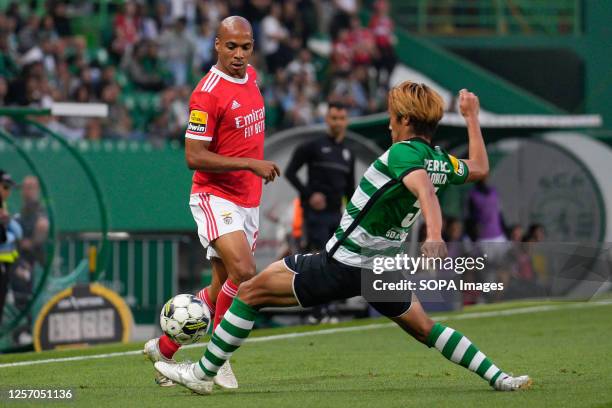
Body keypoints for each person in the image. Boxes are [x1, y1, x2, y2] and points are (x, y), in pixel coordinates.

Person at [155, 82, 532, 394]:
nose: (389, 124)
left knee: (249, 292)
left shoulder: (403, 155)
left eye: (391, 117)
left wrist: (434, 233)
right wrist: (471, 118)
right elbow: (480, 167)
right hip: (380, 270)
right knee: (425, 328)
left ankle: (203, 373)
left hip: (343, 264)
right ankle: (498, 377)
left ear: (404, 120)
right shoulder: (437, 159)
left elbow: (426, 193)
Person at [143, 16, 280, 390]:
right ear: (217, 45)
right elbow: (194, 156)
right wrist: (250, 163)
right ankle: (216, 359)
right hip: (214, 195)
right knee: (245, 270)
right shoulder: (207, 92)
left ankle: (164, 348)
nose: (238, 54)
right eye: (231, 46)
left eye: (245, 47)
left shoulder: (251, 77)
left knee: (221, 286)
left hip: (248, 200)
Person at [285, 101, 355, 323]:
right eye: (333, 118)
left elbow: (351, 189)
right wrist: (308, 195)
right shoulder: (313, 146)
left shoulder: (348, 153)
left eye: (341, 118)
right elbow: (290, 172)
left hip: (337, 215)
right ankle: (317, 311)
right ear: (327, 119)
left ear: (346, 121)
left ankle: (330, 308)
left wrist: (352, 216)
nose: (337, 122)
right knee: (319, 260)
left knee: (337, 262)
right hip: (316, 215)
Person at [0, 170, 22, 325]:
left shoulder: (3, 206)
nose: (8, 192)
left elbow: (17, 233)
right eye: (5, 187)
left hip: (5, 262)